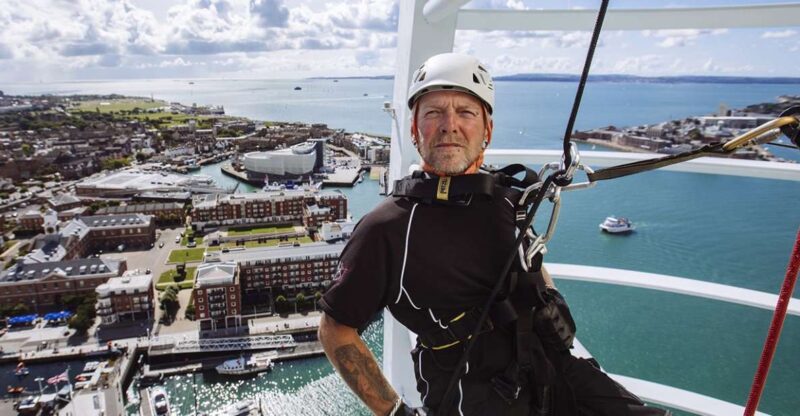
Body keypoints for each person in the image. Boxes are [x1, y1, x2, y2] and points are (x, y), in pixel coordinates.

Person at [318, 53, 670, 416]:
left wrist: (548, 299)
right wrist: (395, 412)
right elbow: (335, 329)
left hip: (550, 369)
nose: (449, 125)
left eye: (465, 113)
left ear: (487, 130)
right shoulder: (387, 228)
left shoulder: (507, 199)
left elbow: (530, 260)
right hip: (472, 395)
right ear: (414, 129)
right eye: (433, 112)